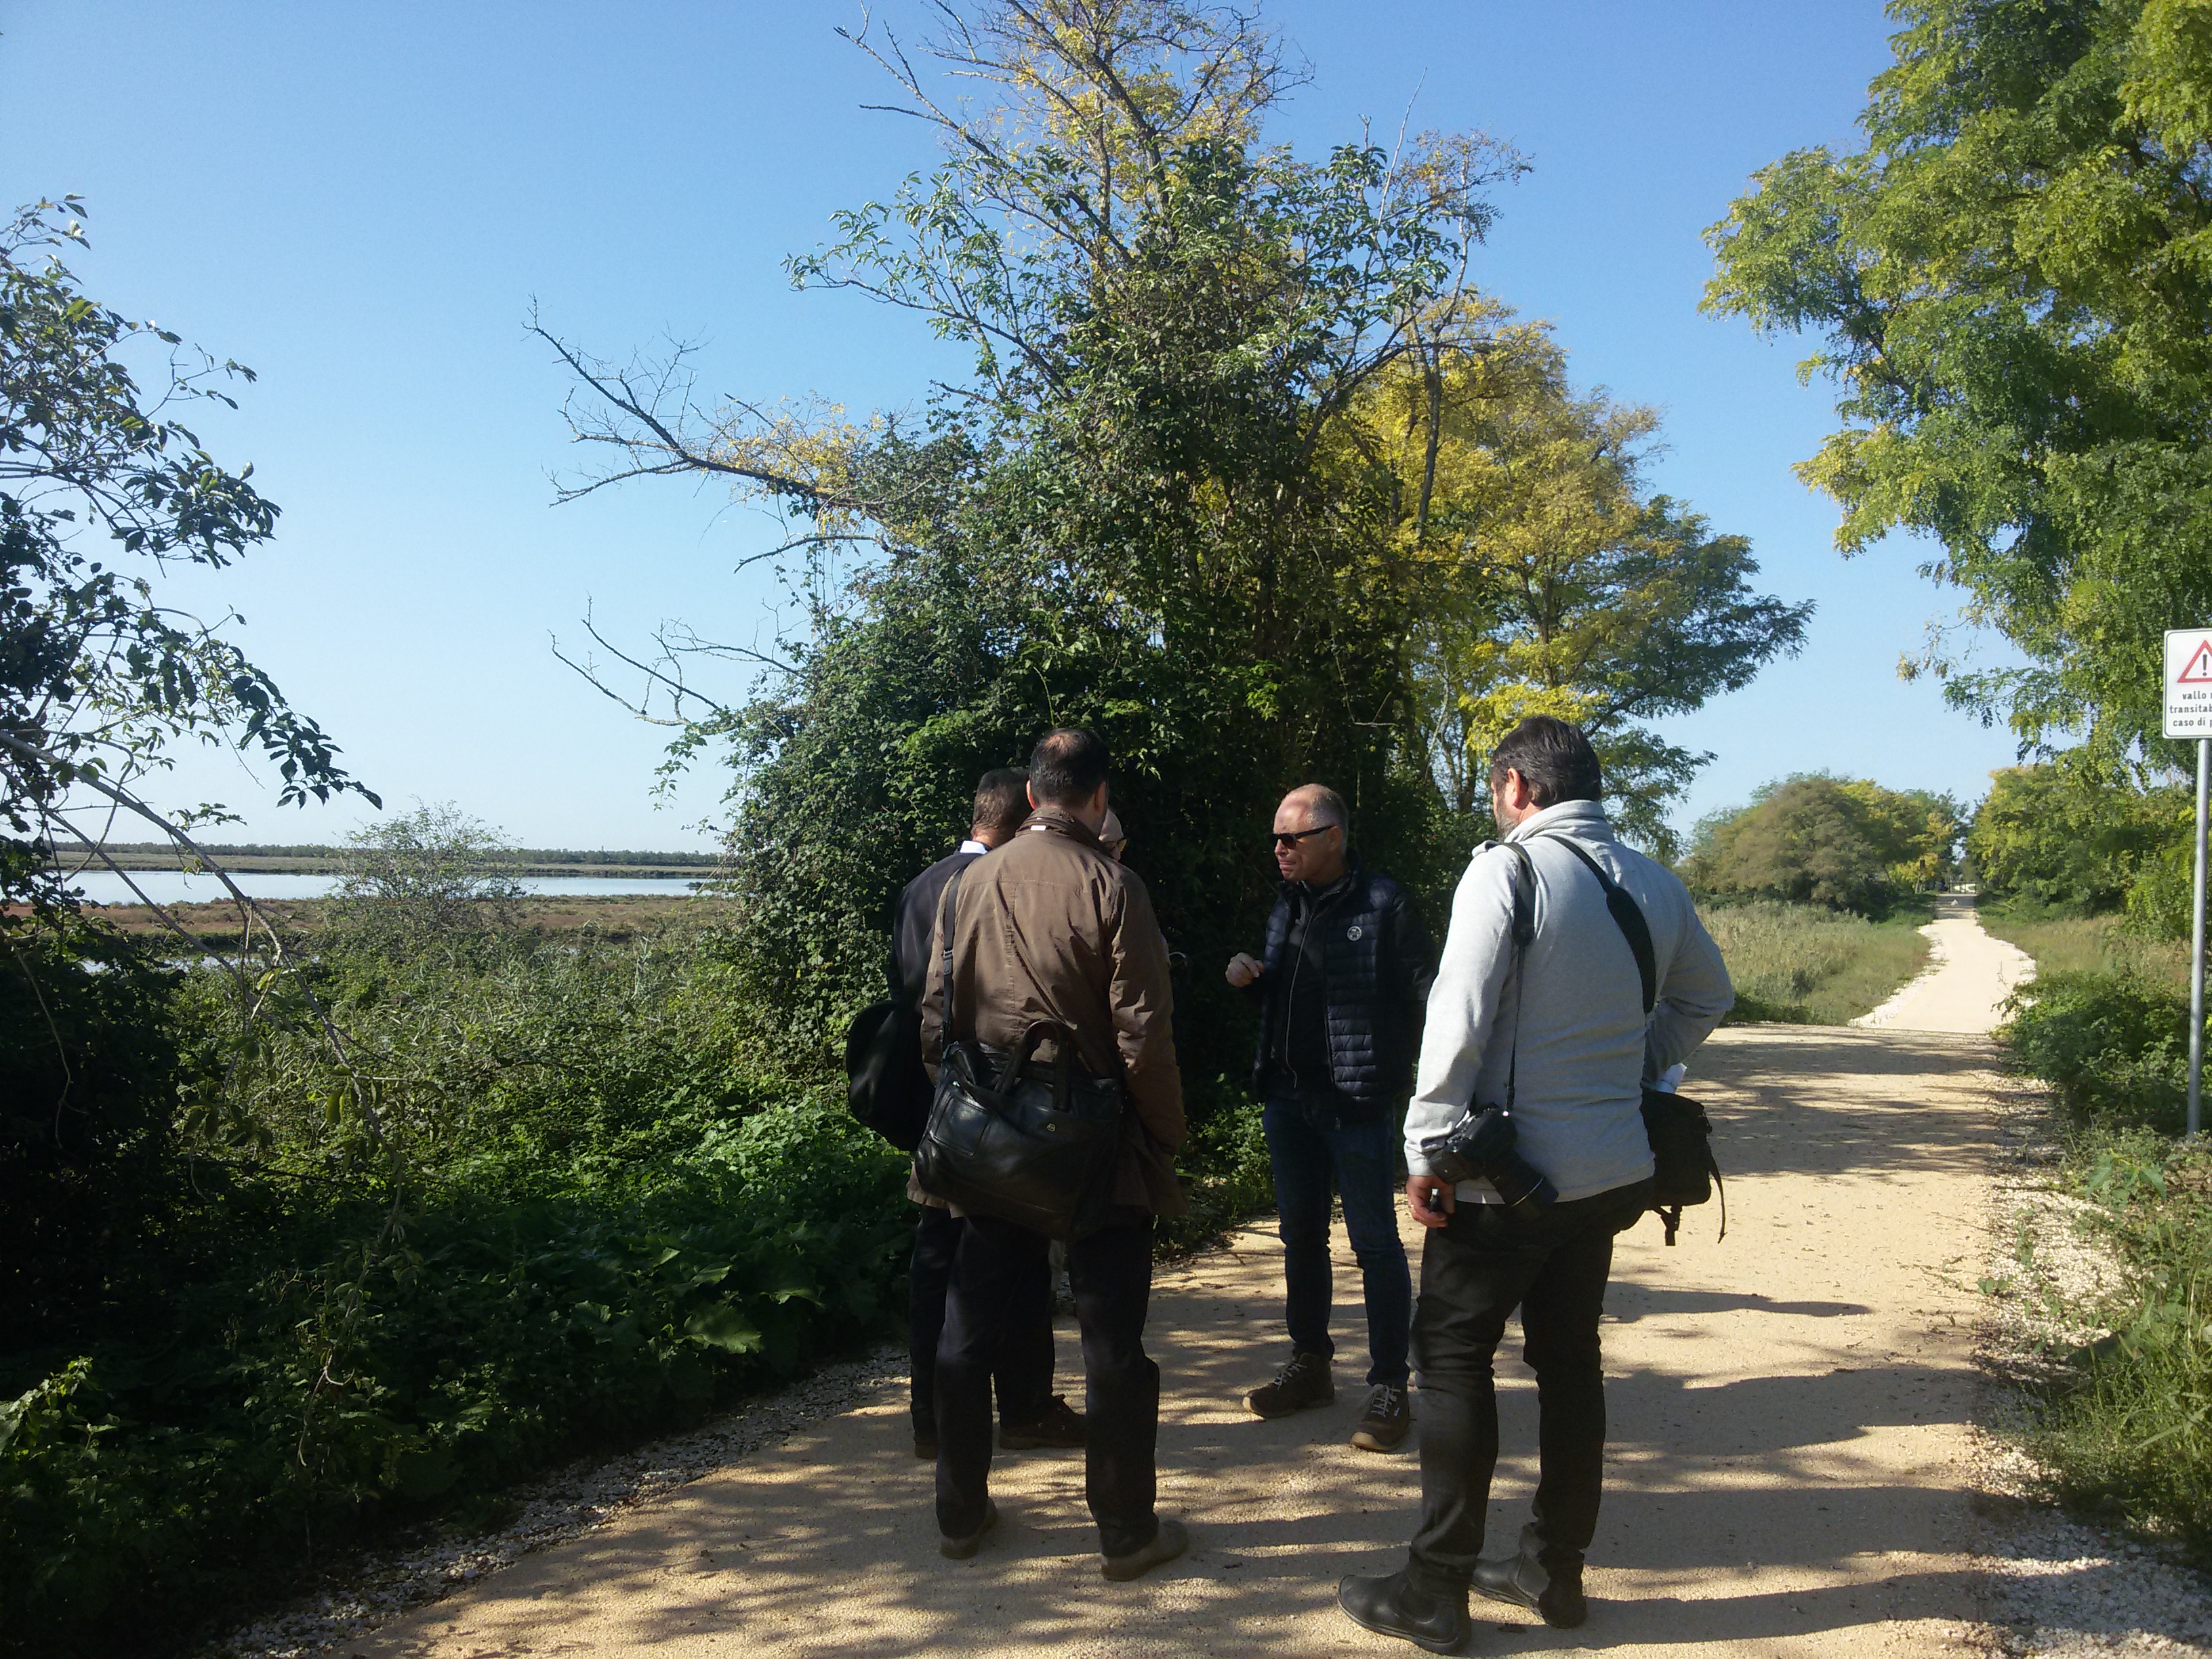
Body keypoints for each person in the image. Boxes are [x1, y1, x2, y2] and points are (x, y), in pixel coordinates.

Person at [1337, 716, 1734, 1654]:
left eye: (1493, 789)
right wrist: (1633, 1067)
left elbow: (1460, 1011)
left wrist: (1425, 1145)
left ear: (1519, 786)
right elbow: (1708, 996)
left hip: (1505, 1184)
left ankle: (1435, 1588)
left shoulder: (1506, 870)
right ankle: (1552, 1570)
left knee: (1453, 1361)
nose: (1494, 805)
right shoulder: (1652, 880)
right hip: (1609, 1176)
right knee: (1569, 1363)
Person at [920, 728, 1191, 1580]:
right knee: (1111, 1340)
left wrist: (971, 1106)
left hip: (990, 1138)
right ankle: (1123, 1530)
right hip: (1095, 1144)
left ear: (1034, 796)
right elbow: (1143, 1034)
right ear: (1098, 798)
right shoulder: (1115, 884)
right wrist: (1162, 1137)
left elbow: (935, 1018)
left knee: (968, 1327)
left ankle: (960, 1513)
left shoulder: (968, 884)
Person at [1225, 784, 1435, 1452]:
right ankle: (1310, 1365)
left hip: (1356, 1100)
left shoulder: (1384, 904)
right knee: (1300, 1238)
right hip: (1288, 1099)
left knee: (1374, 1244)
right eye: (1275, 839)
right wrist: (1251, 981)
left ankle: (1389, 1384)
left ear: (1333, 837)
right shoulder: (1286, 906)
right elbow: (1287, 1001)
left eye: (1292, 838)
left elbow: (1426, 998)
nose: (1279, 850)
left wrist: (1420, 1085)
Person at [893, 767, 1084, 1462]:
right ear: (1018, 820)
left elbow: (910, 999)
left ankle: (932, 1419)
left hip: (937, 1111)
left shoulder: (922, 885)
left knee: (938, 1263)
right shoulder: (1000, 888)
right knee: (1019, 1256)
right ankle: (1026, 1405)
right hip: (996, 1108)